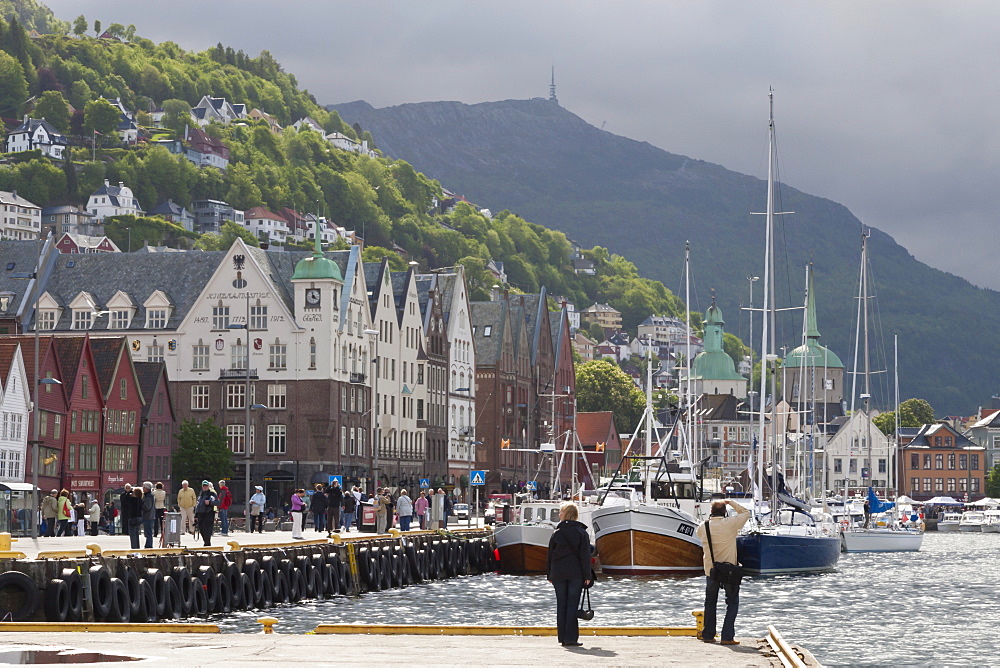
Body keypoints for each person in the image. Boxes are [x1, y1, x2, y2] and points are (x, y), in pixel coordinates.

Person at [694, 499, 751, 646]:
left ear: (711, 512)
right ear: (725, 512)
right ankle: (727, 636)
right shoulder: (730, 524)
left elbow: (699, 536)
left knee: (710, 602)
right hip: (729, 570)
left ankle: (708, 634)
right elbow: (746, 513)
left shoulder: (703, 527)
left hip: (711, 570)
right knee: (732, 603)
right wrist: (731, 502)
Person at [546, 502, 592, 648]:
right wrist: (587, 575)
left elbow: (550, 556)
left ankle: (562, 638)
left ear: (566, 514)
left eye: (560, 511)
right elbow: (585, 556)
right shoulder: (581, 533)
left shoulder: (557, 533)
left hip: (558, 574)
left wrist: (549, 575)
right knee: (572, 605)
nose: (559, 514)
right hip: (576, 574)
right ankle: (571, 638)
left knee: (562, 605)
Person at [194, 480, 219, 547]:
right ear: (202, 486)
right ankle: (206, 542)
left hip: (209, 513)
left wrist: (210, 503)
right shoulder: (201, 494)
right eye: (204, 486)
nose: (205, 487)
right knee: (201, 529)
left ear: (208, 486)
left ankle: (207, 543)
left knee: (207, 529)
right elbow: (198, 505)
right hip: (200, 514)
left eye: (206, 486)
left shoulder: (212, 493)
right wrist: (196, 515)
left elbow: (217, 502)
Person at [141, 481, 156, 548]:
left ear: (147, 488)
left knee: (148, 532)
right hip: (150, 516)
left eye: (144, 487)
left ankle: (149, 545)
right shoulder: (149, 495)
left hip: (148, 516)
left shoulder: (149, 496)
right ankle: (148, 544)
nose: (143, 488)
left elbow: (147, 507)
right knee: (148, 532)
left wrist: (141, 506)